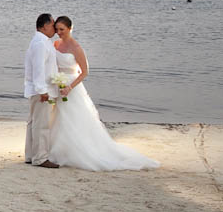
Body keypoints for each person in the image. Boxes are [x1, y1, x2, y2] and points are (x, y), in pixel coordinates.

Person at [46, 16, 159, 171]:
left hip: (72, 87)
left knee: (74, 118)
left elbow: (84, 72)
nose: (59, 33)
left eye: (62, 29)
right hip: (59, 85)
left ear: (70, 29)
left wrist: (69, 87)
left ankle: (76, 151)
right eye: (57, 29)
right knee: (59, 118)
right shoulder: (56, 44)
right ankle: (58, 149)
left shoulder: (76, 48)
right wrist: (55, 81)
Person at [24, 13, 60, 168]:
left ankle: (31, 155)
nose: (55, 29)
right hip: (41, 90)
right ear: (44, 26)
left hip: (38, 89)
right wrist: (42, 90)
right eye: (53, 25)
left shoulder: (42, 41)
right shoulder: (40, 43)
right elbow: (38, 68)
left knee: (34, 123)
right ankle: (40, 158)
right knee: (42, 125)